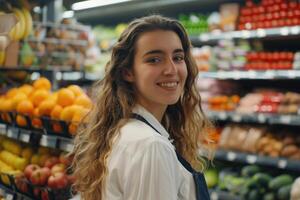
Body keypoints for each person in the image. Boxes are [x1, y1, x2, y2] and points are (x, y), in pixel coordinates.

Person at [71, 15, 213, 200]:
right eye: (154, 60)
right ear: (128, 72)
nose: (171, 69)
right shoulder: (151, 146)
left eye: (178, 57)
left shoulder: (123, 129)